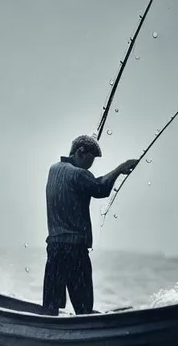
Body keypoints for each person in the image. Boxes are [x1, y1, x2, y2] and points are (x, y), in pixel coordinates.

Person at [42, 134, 138, 315]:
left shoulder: (53, 169)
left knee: (50, 308)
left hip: (54, 248)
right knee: (84, 308)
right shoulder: (78, 174)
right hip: (74, 250)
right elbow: (100, 188)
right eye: (91, 159)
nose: (91, 165)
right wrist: (120, 168)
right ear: (81, 152)